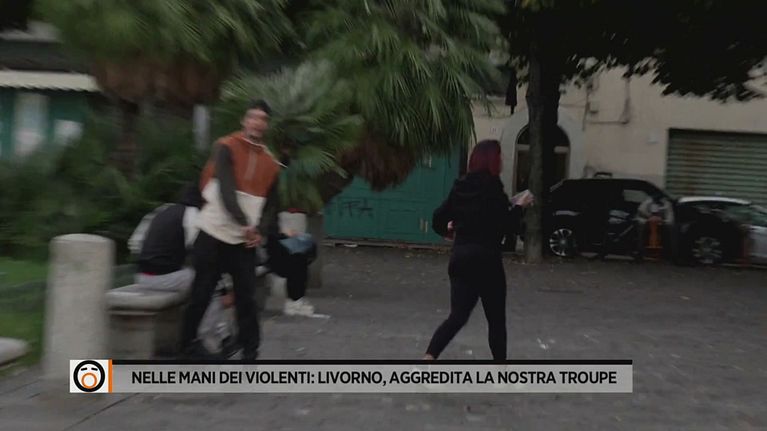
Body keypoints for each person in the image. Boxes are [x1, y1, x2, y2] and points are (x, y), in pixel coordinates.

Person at [180, 99, 282, 360]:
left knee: (246, 298)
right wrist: (245, 223)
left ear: (267, 125)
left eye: (262, 119)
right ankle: (186, 348)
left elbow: (272, 203)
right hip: (213, 232)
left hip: (244, 241)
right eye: (253, 117)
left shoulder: (271, 163)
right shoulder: (226, 146)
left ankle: (250, 351)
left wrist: (259, 230)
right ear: (244, 121)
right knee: (201, 294)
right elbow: (226, 189)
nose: (257, 123)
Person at [424, 139, 533, 361]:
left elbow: (438, 217)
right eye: (500, 157)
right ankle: (500, 369)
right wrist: (519, 207)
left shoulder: (460, 187)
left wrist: (448, 231)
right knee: (496, 320)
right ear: (493, 160)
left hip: (461, 259)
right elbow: (507, 225)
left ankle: (429, 357)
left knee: (457, 316)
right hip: (487, 260)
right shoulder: (494, 188)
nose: (502, 161)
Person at [128, 183, 235, 355]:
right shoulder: (192, 215)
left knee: (203, 282)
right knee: (210, 285)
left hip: (142, 276)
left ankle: (222, 335)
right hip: (163, 279)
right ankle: (209, 342)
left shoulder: (162, 210)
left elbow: (134, 243)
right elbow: (204, 256)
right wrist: (225, 290)